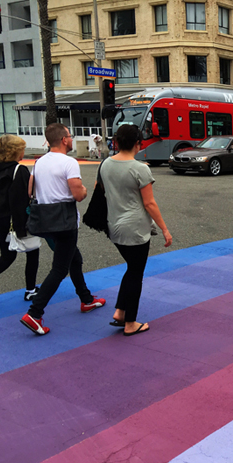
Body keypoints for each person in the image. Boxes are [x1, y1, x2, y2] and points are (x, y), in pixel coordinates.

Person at [20, 123, 105, 335]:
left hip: (46, 221)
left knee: (74, 259)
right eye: (70, 135)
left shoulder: (39, 163)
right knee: (59, 269)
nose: (72, 138)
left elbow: (31, 190)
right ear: (64, 139)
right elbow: (78, 195)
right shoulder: (69, 162)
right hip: (64, 222)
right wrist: (85, 188)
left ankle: (86, 299)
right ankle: (35, 313)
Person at [100, 124, 172, 336]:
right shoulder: (140, 168)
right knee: (136, 273)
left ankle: (121, 311)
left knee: (131, 268)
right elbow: (150, 203)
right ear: (137, 143)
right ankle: (130, 322)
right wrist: (165, 230)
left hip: (114, 225)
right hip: (136, 228)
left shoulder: (105, 164)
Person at [0, 135, 40, 308]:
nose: (24, 151)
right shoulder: (19, 170)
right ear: (15, 151)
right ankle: (30, 290)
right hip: (16, 219)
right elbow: (24, 197)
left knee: (7, 256)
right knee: (33, 250)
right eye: (22, 148)